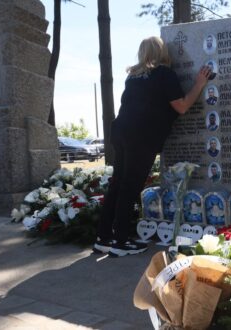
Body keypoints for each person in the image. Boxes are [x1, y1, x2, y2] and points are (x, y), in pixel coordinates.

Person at [94, 36, 211, 257]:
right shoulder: (163, 74)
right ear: (162, 52)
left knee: (118, 183)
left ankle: (103, 238)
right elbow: (182, 106)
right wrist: (199, 84)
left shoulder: (133, 77)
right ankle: (120, 241)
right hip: (141, 136)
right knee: (129, 186)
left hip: (120, 132)